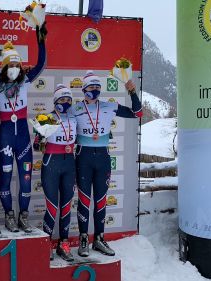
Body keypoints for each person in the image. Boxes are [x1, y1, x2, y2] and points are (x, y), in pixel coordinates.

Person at [72, 71, 142, 257]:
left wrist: (132, 91)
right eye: (90, 87)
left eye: (97, 87)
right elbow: (56, 122)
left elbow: (138, 113)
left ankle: (99, 239)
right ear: (83, 89)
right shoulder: (75, 109)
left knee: (101, 200)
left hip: (102, 158)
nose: (94, 90)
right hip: (83, 157)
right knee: (85, 200)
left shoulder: (109, 106)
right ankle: (84, 238)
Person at [0, 23, 47, 233]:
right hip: (6, 137)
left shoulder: (25, 82)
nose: (15, 69)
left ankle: (23, 216)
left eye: (18, 65)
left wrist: (40, 39)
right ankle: (9, 214)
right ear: (5, 67)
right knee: (5, 177)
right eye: (11, 65)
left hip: (23, 137)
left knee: (26, 178)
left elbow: (42, 63)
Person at [33, 84, 77, 261]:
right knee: (52, 207)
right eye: (62, 99)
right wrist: (41, 138)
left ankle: (63, 243)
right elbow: (36, 145)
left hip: (69, 164)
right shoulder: (46, 118)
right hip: (51, 163)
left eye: (68, 100)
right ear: (55, 100)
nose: (65, 102)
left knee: (66, 206)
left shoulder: (74, 118)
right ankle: (46, 243)